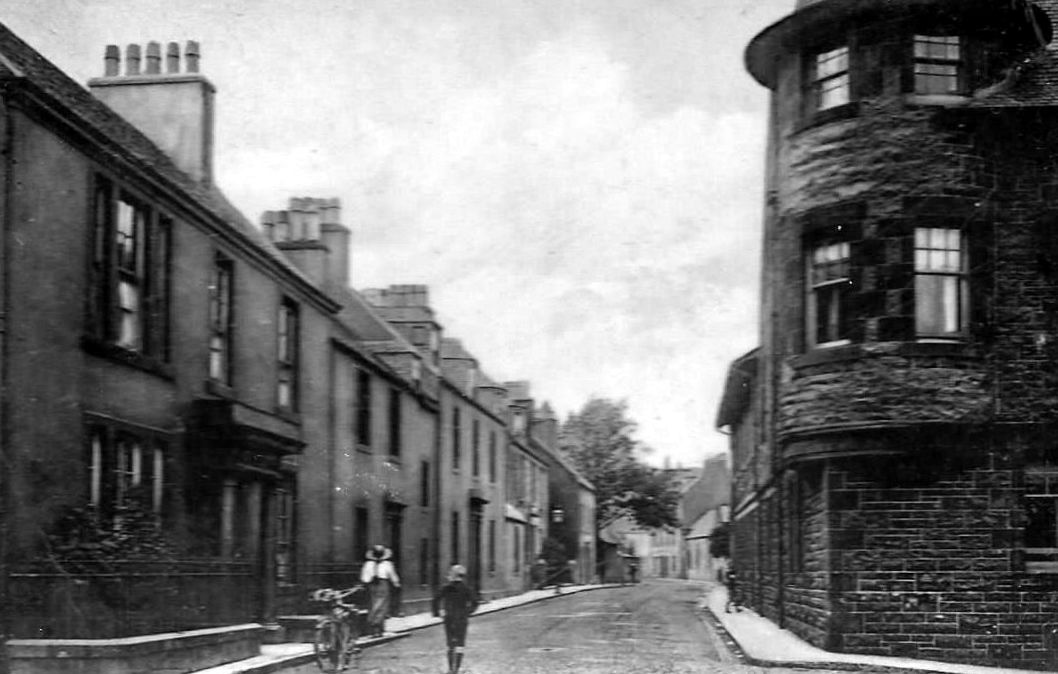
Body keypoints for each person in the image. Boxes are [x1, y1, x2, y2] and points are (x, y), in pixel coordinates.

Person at [432, 564, 479, 674]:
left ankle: (450, 668)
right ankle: (456, 669)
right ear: (463, 576)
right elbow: (475, 603)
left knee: (450, 643)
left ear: (453, 575)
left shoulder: (446, 587)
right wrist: (468, 612)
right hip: (462, 619)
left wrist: (437, 613)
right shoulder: (467, 589)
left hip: (449, 618)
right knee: (460, 643)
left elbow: (436, 599)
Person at [360, 544, 400, 636]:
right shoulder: (387, 564)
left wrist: (366, 582)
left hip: (372, 585)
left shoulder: (368, 564)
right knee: (381, 605)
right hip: (382, 584)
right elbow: (392, 575)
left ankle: (376, 628)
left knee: (374, 605)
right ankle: (377, 626)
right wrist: (396, 583)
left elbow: (364, 577)